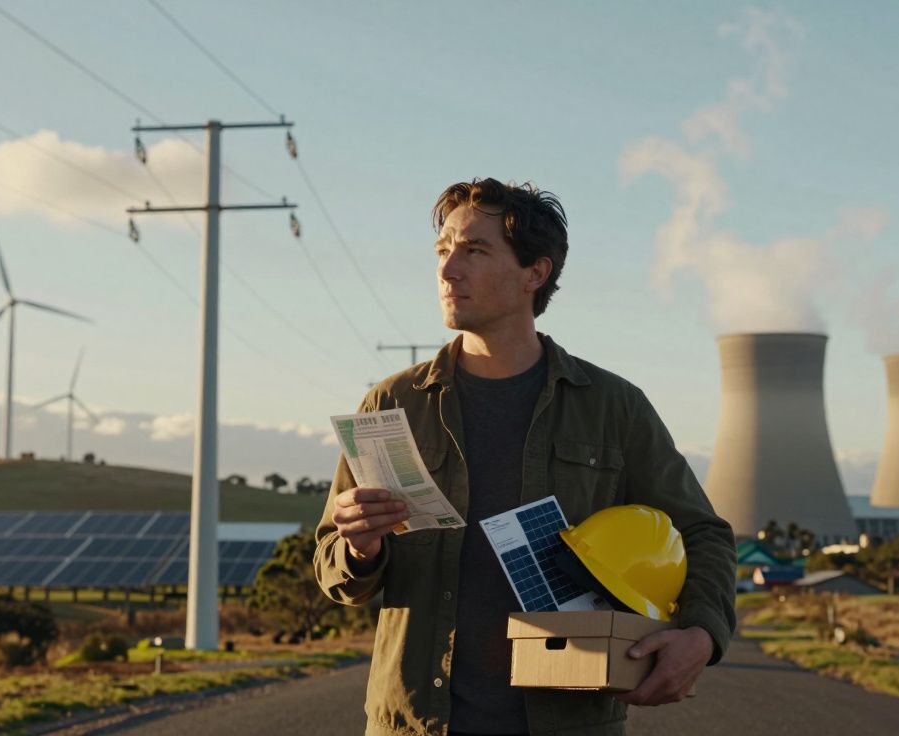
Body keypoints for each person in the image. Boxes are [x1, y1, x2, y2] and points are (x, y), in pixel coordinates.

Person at [314, 178, 736, 736]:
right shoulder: (394, 404)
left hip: (568, 722)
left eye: (474, 250)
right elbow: (334, 570)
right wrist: (359, 545)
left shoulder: (613, 407)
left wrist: (702, 636)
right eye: (443, 250)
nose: (447, 271)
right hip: (415, 722)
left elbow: (703, 532)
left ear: (534, 273)